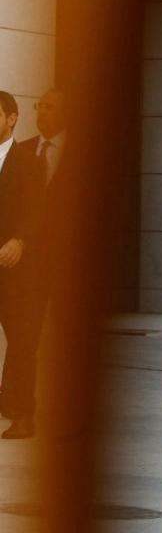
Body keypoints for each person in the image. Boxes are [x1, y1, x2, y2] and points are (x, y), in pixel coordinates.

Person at [0, 91, 45, 439]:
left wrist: (20, 241)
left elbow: (36, 211)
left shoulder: (28, 161)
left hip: (14, 270)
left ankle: (22, 416)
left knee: (21, 343)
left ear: (12, 118)